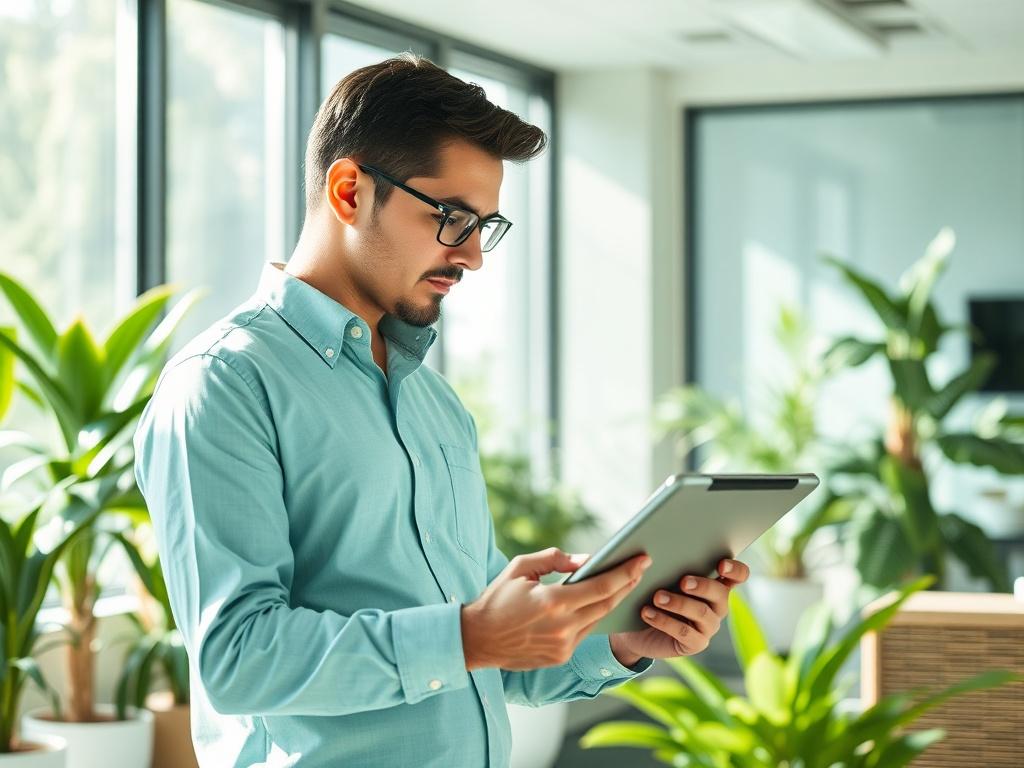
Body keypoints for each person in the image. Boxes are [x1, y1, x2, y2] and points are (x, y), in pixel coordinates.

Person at [133, 53, 750, 768]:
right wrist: (468, 636)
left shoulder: (434, 403)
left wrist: (620, 640)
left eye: (486, 225)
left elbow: (491, 657)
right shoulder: (225, 385)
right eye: (453, 218)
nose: (474, 257)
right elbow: (238, 660)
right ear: (348, 190)